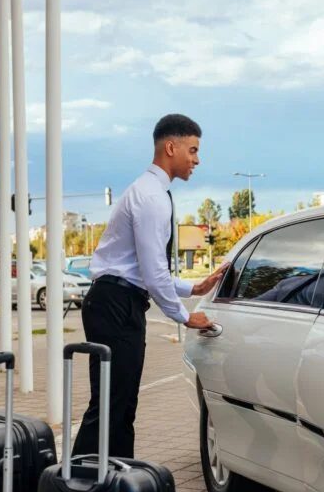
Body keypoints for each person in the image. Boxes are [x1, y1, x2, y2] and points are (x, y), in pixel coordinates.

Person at [72, 114, 227, 459]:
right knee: (111, 406)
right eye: (193, 149)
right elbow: (153, 272)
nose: (197, 159)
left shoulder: (150, 192)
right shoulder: (151, 197)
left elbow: (145, 268)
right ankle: (77, 490)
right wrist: (185, 317)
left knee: (121, 405)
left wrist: (193, 288)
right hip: (116, 304)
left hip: (117, 300)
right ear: (171, 148)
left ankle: (114, 485)